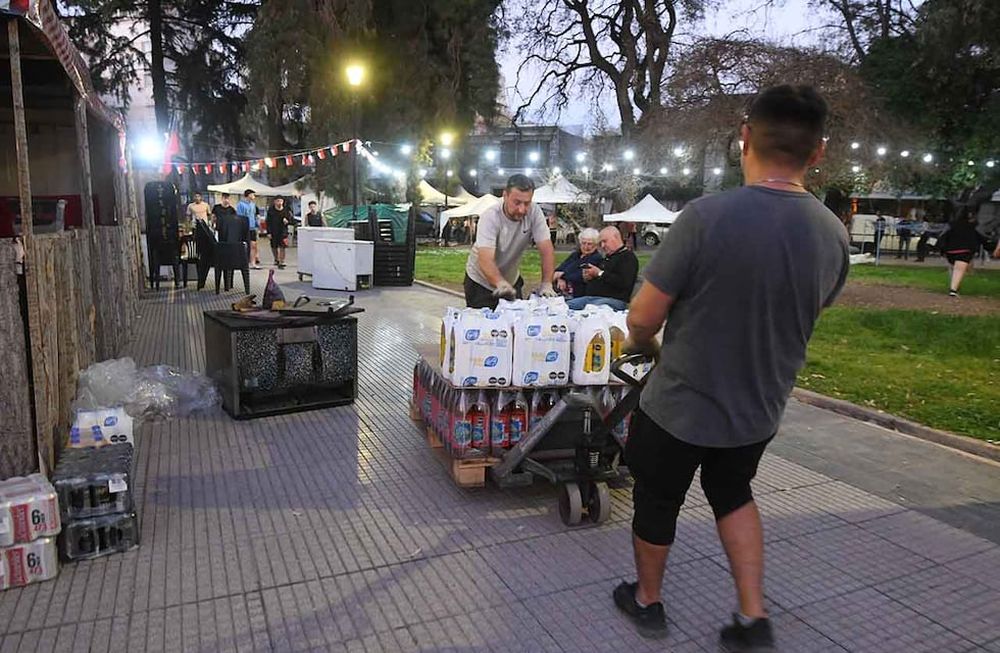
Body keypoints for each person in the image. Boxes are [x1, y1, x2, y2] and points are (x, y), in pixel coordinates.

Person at [613, 85, 849, 651]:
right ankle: (751, 616)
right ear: (817, 153)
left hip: (681, 403)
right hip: (758, 408)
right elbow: (805, 309)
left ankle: (647, 602)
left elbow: (643, 316)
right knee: (734, 492)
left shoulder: (704, 217)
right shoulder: (833, 235)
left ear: (743, 138)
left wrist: (642, 342)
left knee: (659, 497)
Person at [464, 174, 556, 309]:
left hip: (511, 280)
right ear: (505, 195)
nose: (522, 209)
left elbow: (546, 250)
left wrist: (547, 283)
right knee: (485, 328)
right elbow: (485, 259)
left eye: (527, 203)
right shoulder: (490, 217)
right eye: (517, 202)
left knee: (517, 324)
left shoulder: (535, 212)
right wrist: (499, 283)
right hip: (480, 281)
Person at [566, 226, 638, 310]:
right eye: (601, 243)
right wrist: (589, 276)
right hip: (591, 298)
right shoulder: (608, 258)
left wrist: (599, 273)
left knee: (591, 309)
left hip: (614, 300)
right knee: (564, 306)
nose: (602, 246)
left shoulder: (627, 257)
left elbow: (624, 282)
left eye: (604, 241)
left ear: (616, 238)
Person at [937, 211, 991, 296]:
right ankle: (953, 290)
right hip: (965, 251)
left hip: (950, 251)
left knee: (954, 269)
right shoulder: (974, 227)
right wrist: (991, 248)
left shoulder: (952, 225)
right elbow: (983, 240)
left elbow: (943, 237)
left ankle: (954, 287)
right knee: (959, 270)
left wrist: (942, 250)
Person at [213, 193, 250, 294]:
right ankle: (226, 284)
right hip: (222, 235)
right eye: (224, 198)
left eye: (227, 198)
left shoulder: (232, 210)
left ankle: (229, 283)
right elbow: (214, 218)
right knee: (225, 256)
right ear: (222, 199)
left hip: (232, 237)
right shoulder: (217, 208)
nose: (226, 200)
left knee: (231, 256)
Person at [553, 228, 603, 297]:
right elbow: (559, 269)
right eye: (583, 243)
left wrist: (562, 276)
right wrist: (560, 278)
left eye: (589, 244)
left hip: (581, 294)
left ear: (596, 245)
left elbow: (579, 276)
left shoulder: (596, 258)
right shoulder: (575, 255)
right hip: (563, 292)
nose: (586, 246)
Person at [237, 189, 261, 269]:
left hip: (252, 227)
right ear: (248, 195)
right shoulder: (240, 204)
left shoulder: (253, 205)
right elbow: (240, 216)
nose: (254, 196)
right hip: (244, 227)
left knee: (253, 245)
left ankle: (253, 262)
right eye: (252, 194)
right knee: (245, 246)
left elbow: (254, 215)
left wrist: (257, 225)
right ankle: (243, 262)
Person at [267, 196, 293, 269]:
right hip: (273, 230)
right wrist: (268, 232)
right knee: (274, 246)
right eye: (278, 201)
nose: (280, 203)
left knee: (282, 246)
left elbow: (292, 220)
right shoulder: (271, 210)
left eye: (281, 201)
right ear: (275, 202)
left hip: (283, 231)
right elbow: (268, 222)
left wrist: (287, 221)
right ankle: (276, 259)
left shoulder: (286, 210)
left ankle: (282, 261)